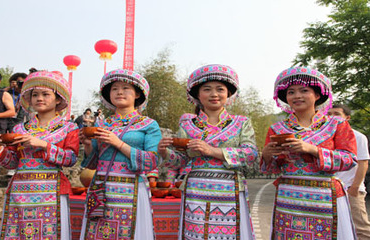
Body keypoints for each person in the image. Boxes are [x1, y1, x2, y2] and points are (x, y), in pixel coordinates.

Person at [158, 64, 259, 239]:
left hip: (230, 190)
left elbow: (250, 154)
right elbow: (181, 160)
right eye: (207, 89)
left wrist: (212, 151)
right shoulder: (187, 125)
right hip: (196, 191)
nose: (214, 94)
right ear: (197, 95)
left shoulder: (242, 122)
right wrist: (165, 152)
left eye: (220, 89)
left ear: (228, 94)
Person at [261, 66, 358, 239]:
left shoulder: (337, 124)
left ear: (318, 94)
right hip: (288, 196)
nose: (297, 96)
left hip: (326, 195)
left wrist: (312, 149)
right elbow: (271, 168)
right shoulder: (277, 128)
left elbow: (349, 159)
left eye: (304, 90)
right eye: (291, 92)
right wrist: (268, 155)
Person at [0, 70, 79, 239]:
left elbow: (71, 159)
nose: (40, 98)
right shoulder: (19, 129)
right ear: (29, 99)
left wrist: (44, 145)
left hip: (51, 190)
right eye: (35, 95)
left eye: (46, 94)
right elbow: (12, 163)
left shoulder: (69, 128)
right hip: (20, 190)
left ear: (58, 98)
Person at [79, 69, 162, 240]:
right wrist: (87, 145)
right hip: (101, 187)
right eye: (115, 88)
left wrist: (118, 143)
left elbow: (153, 160)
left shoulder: (149, 124)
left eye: (126, 88)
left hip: (131, 188)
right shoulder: (102, 124)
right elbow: (93, 162)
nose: (119, 92)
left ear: (138, 94)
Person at [327, 104, 370, 239]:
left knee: (360, 227)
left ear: (347, 118)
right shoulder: (325, 137)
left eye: (337, 114)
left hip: (351, 189)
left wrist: (355, 187)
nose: (332, 117)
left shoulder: (358, 137)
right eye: (329, 114)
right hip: (330, 189)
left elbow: (363, 163)